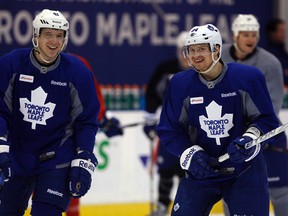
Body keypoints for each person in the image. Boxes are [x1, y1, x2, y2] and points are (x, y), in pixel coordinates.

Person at [156, 23, 279, 216]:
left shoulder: (247, 78)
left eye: (202, 49)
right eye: (192, 50)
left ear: (217, 49)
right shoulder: (180, 84)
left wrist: (250, 139)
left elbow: (266, 120)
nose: (195, 55)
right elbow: (169, 130)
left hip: (244, 170)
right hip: (202, 169)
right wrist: (189, 153)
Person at [0, 9, 100, 216]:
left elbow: (86, 121)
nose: (54, 41)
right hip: (17, 154)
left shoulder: (78, 72)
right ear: (35, 35)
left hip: (57, 158)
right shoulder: (11, 64)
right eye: (48, 34)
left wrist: (84, 155)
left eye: (59, 35)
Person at [221, 14, 288, 216]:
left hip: (268, 136)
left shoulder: (270, 63)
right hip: (230, 137)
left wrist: (255, 133)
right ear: (235, 35)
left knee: (281, 192)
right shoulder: (219, 56)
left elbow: (272, 104)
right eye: (245, 34)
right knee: (231, 191)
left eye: (254, 34)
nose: (250, 38)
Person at [66, 53, 123, 216]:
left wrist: (104, 120)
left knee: (73, 187)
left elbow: (92, 100)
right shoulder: (23, 65)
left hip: (70, 143)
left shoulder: (78, 63)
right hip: (36, 145)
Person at [143, 31, 189, 216]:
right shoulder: (166, 69)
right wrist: (149, 120)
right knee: (166, 169)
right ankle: (162, 205)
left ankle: (187, 206)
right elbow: (152, 94)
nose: (185, 56)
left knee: (189, 171)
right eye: (182, 51)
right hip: (169, 128)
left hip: (195, 131)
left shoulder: (202, 71)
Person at [264, 18, 288, 88]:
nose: (284, 35)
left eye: (284, 32)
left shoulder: (284, 53)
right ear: (272, 33)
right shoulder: (265, 55)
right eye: (281, 31)